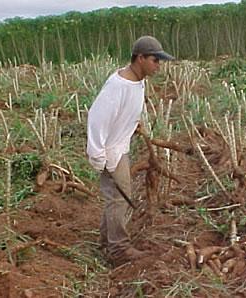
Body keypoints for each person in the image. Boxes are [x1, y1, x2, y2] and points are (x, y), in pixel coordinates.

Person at [86, 36, 174, 267]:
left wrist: (132, 125)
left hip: (119, 146)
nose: (158, 65)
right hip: (110, 151)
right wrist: (98, 156)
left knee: (118, 197)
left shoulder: (138, 80)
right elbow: (96, 119)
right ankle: (118, 249)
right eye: (155, 60)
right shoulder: (118, 86)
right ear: (140, 58)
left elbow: (123, 112)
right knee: (119, 198)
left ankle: (106, 241)